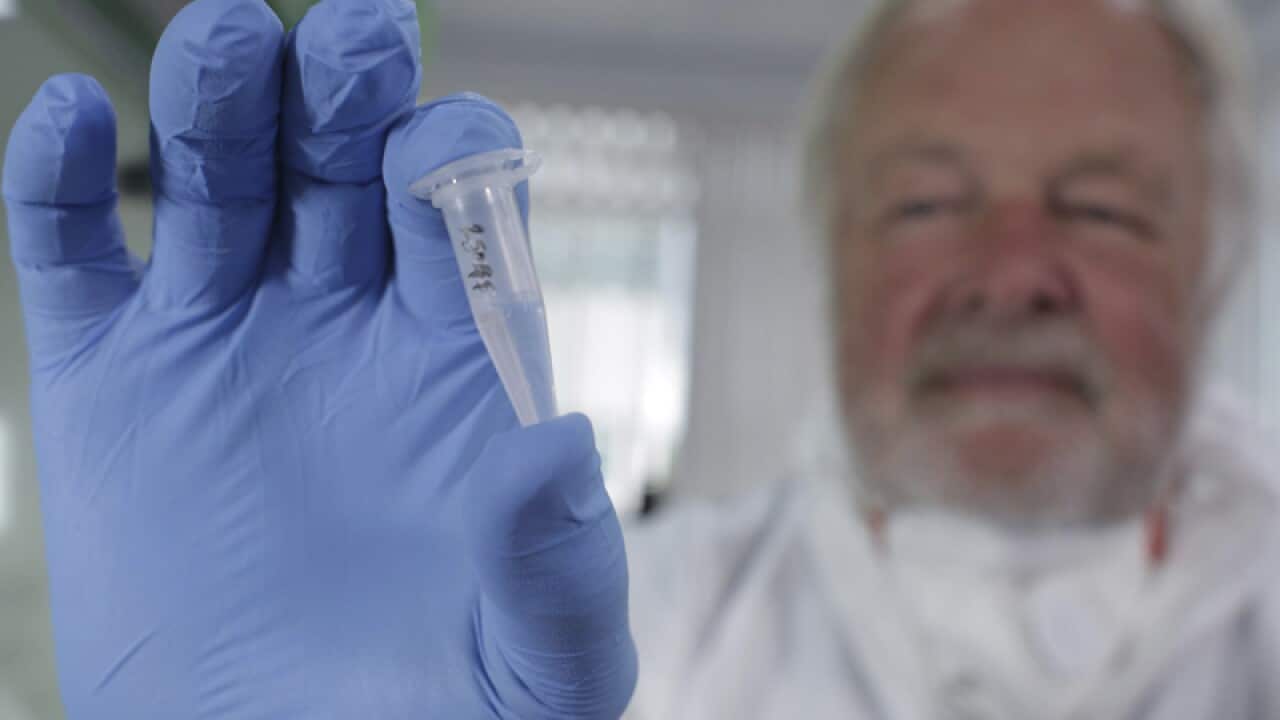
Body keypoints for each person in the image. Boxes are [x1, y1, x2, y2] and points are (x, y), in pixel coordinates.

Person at [2, 0, 1275, 718]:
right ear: (828, 251)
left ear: (1215, 257)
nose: (1011, 269)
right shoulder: (615, 643)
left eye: (1101, 209)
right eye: (926, 205)